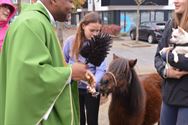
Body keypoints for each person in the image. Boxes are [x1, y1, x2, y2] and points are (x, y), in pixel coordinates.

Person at [0, 0, 96, 125]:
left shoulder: (38, 21)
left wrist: (72, 72)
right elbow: (29, 76)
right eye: (69, 1)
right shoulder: (31, 23)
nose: (72, 6)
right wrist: (70, 73)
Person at [63, 12, 107, 125]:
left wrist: (94, 81)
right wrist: (73, 71)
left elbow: (101, 68)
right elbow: (62, 63)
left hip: (91, 90)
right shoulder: (70, 42)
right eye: (92, 30)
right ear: (83, 26)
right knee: (78, 120)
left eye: (98, 31)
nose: (95, 34)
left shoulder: (99, 45)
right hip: (73, 88)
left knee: (92, 121)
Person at [154, 0, 188, 124]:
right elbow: (158, 56)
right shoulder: (170, 24)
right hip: (168, 98)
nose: (175, 1)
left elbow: (163, 54)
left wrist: (167, 55)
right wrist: (166, 72)